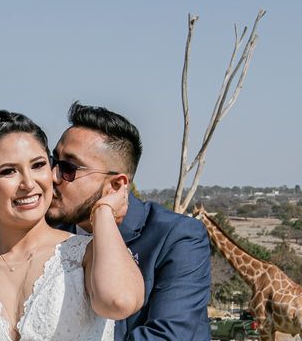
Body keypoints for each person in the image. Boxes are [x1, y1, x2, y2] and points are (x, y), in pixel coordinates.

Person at [0, 110, 144, 341]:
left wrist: (103, 212)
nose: (28, 183)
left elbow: (119, 302)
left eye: (38, 165)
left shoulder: (87, 254)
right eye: (8, 171)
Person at [46, 102, 212, 341]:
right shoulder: (52, 233)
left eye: (68, 168)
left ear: (115, 185)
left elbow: (166, 336)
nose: (53, 176)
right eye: (54, 161)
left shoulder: (177, 237)